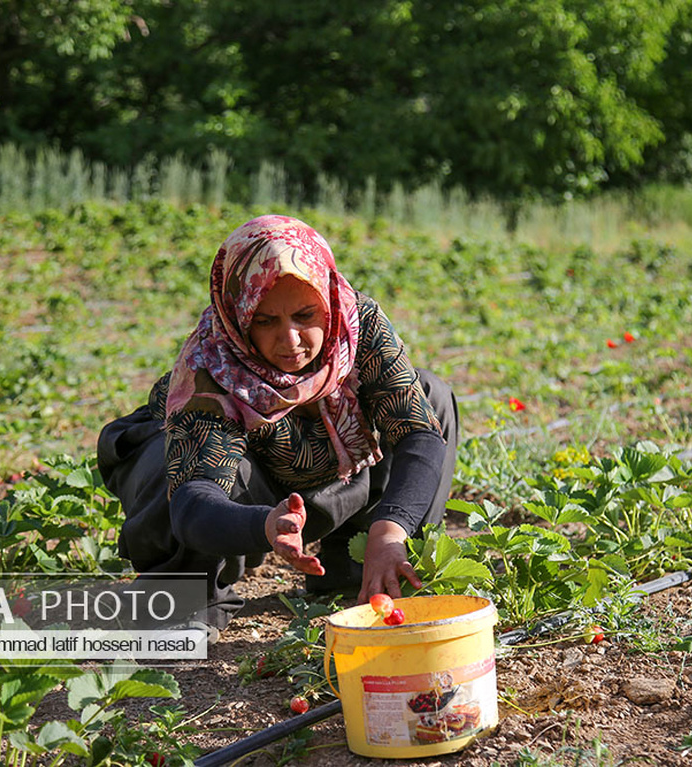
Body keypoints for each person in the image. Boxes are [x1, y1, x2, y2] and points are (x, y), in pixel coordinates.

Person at [96, 214, 458, 635]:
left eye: (305, 316)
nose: (290, 341)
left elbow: (417, 433)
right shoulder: (212, 366)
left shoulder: (356, 324)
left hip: (331, 481)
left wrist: (389, 532)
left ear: (328, 302)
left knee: (430, 397)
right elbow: (194, 500)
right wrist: (263, 525)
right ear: (239, 314)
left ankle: (367, 566)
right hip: (246, 494)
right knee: (168, 460)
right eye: (265, 321)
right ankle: (188, 595)